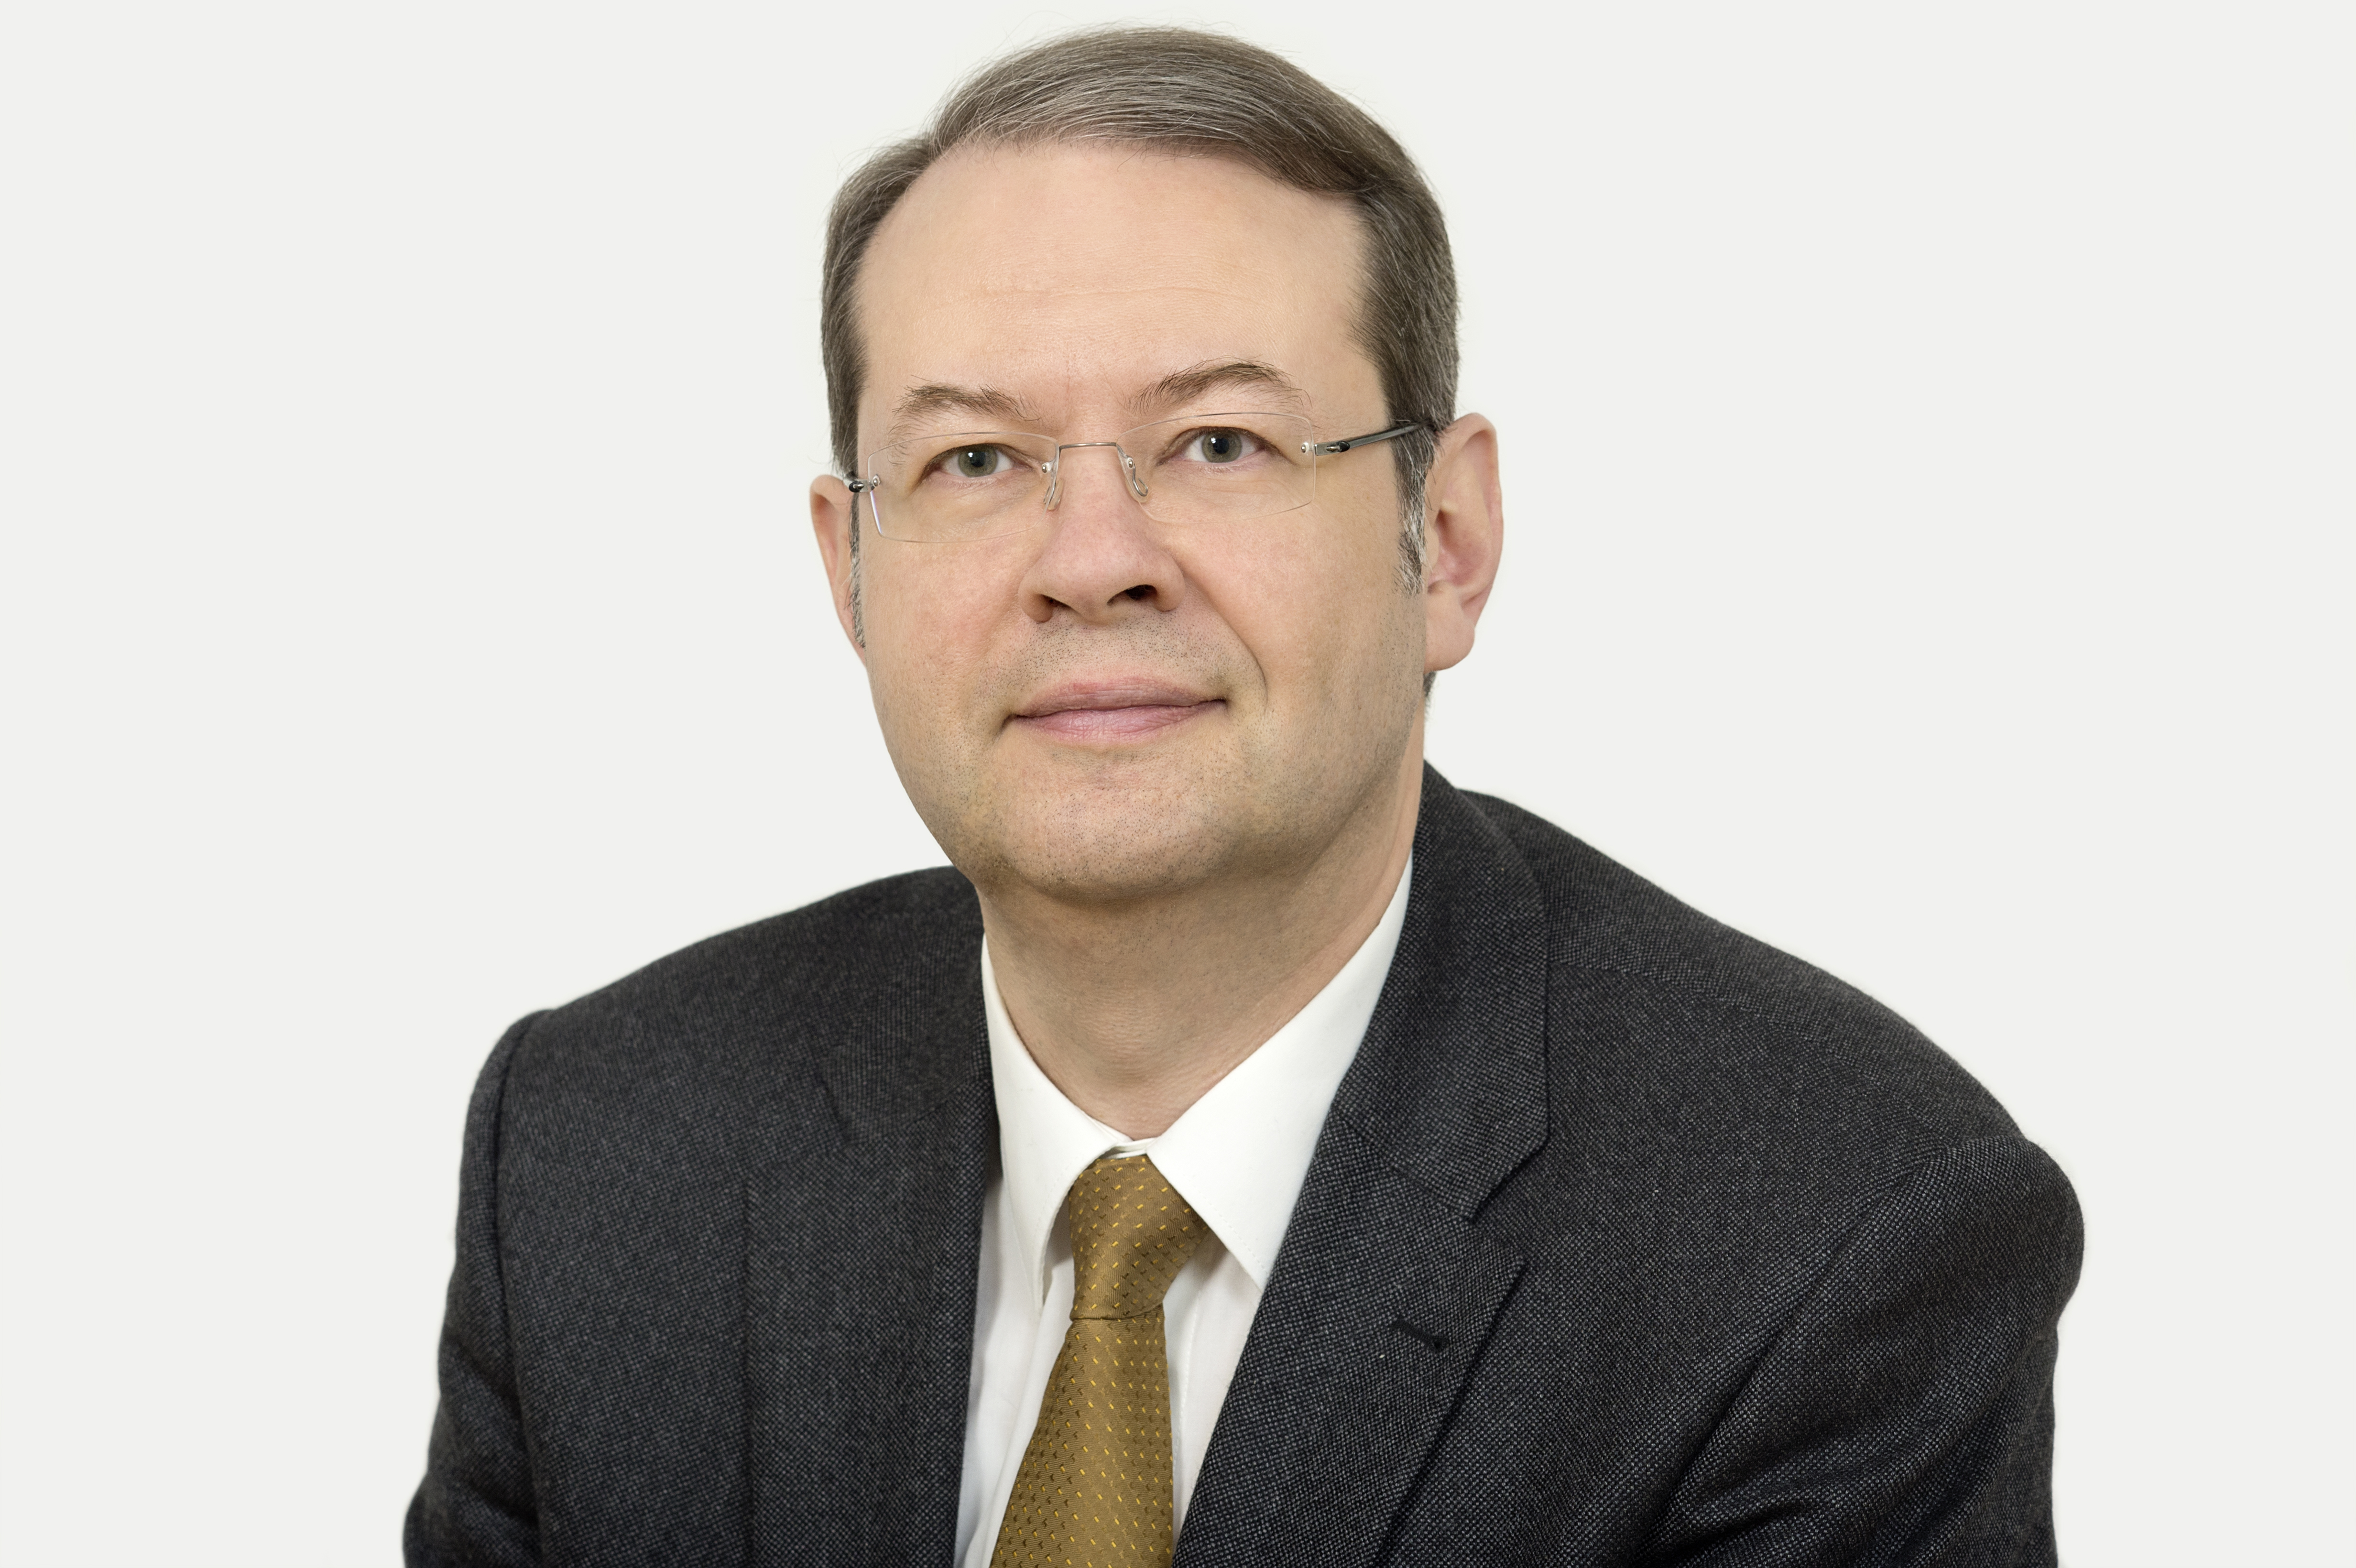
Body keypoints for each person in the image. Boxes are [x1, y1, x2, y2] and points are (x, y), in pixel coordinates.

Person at [405, 26, 2082, 1568]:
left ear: (1448, 541)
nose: (1091, 563)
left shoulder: (1828, 1238)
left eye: (1219, 443)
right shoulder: (597, 1154)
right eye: (975, 460)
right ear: (851, 568)